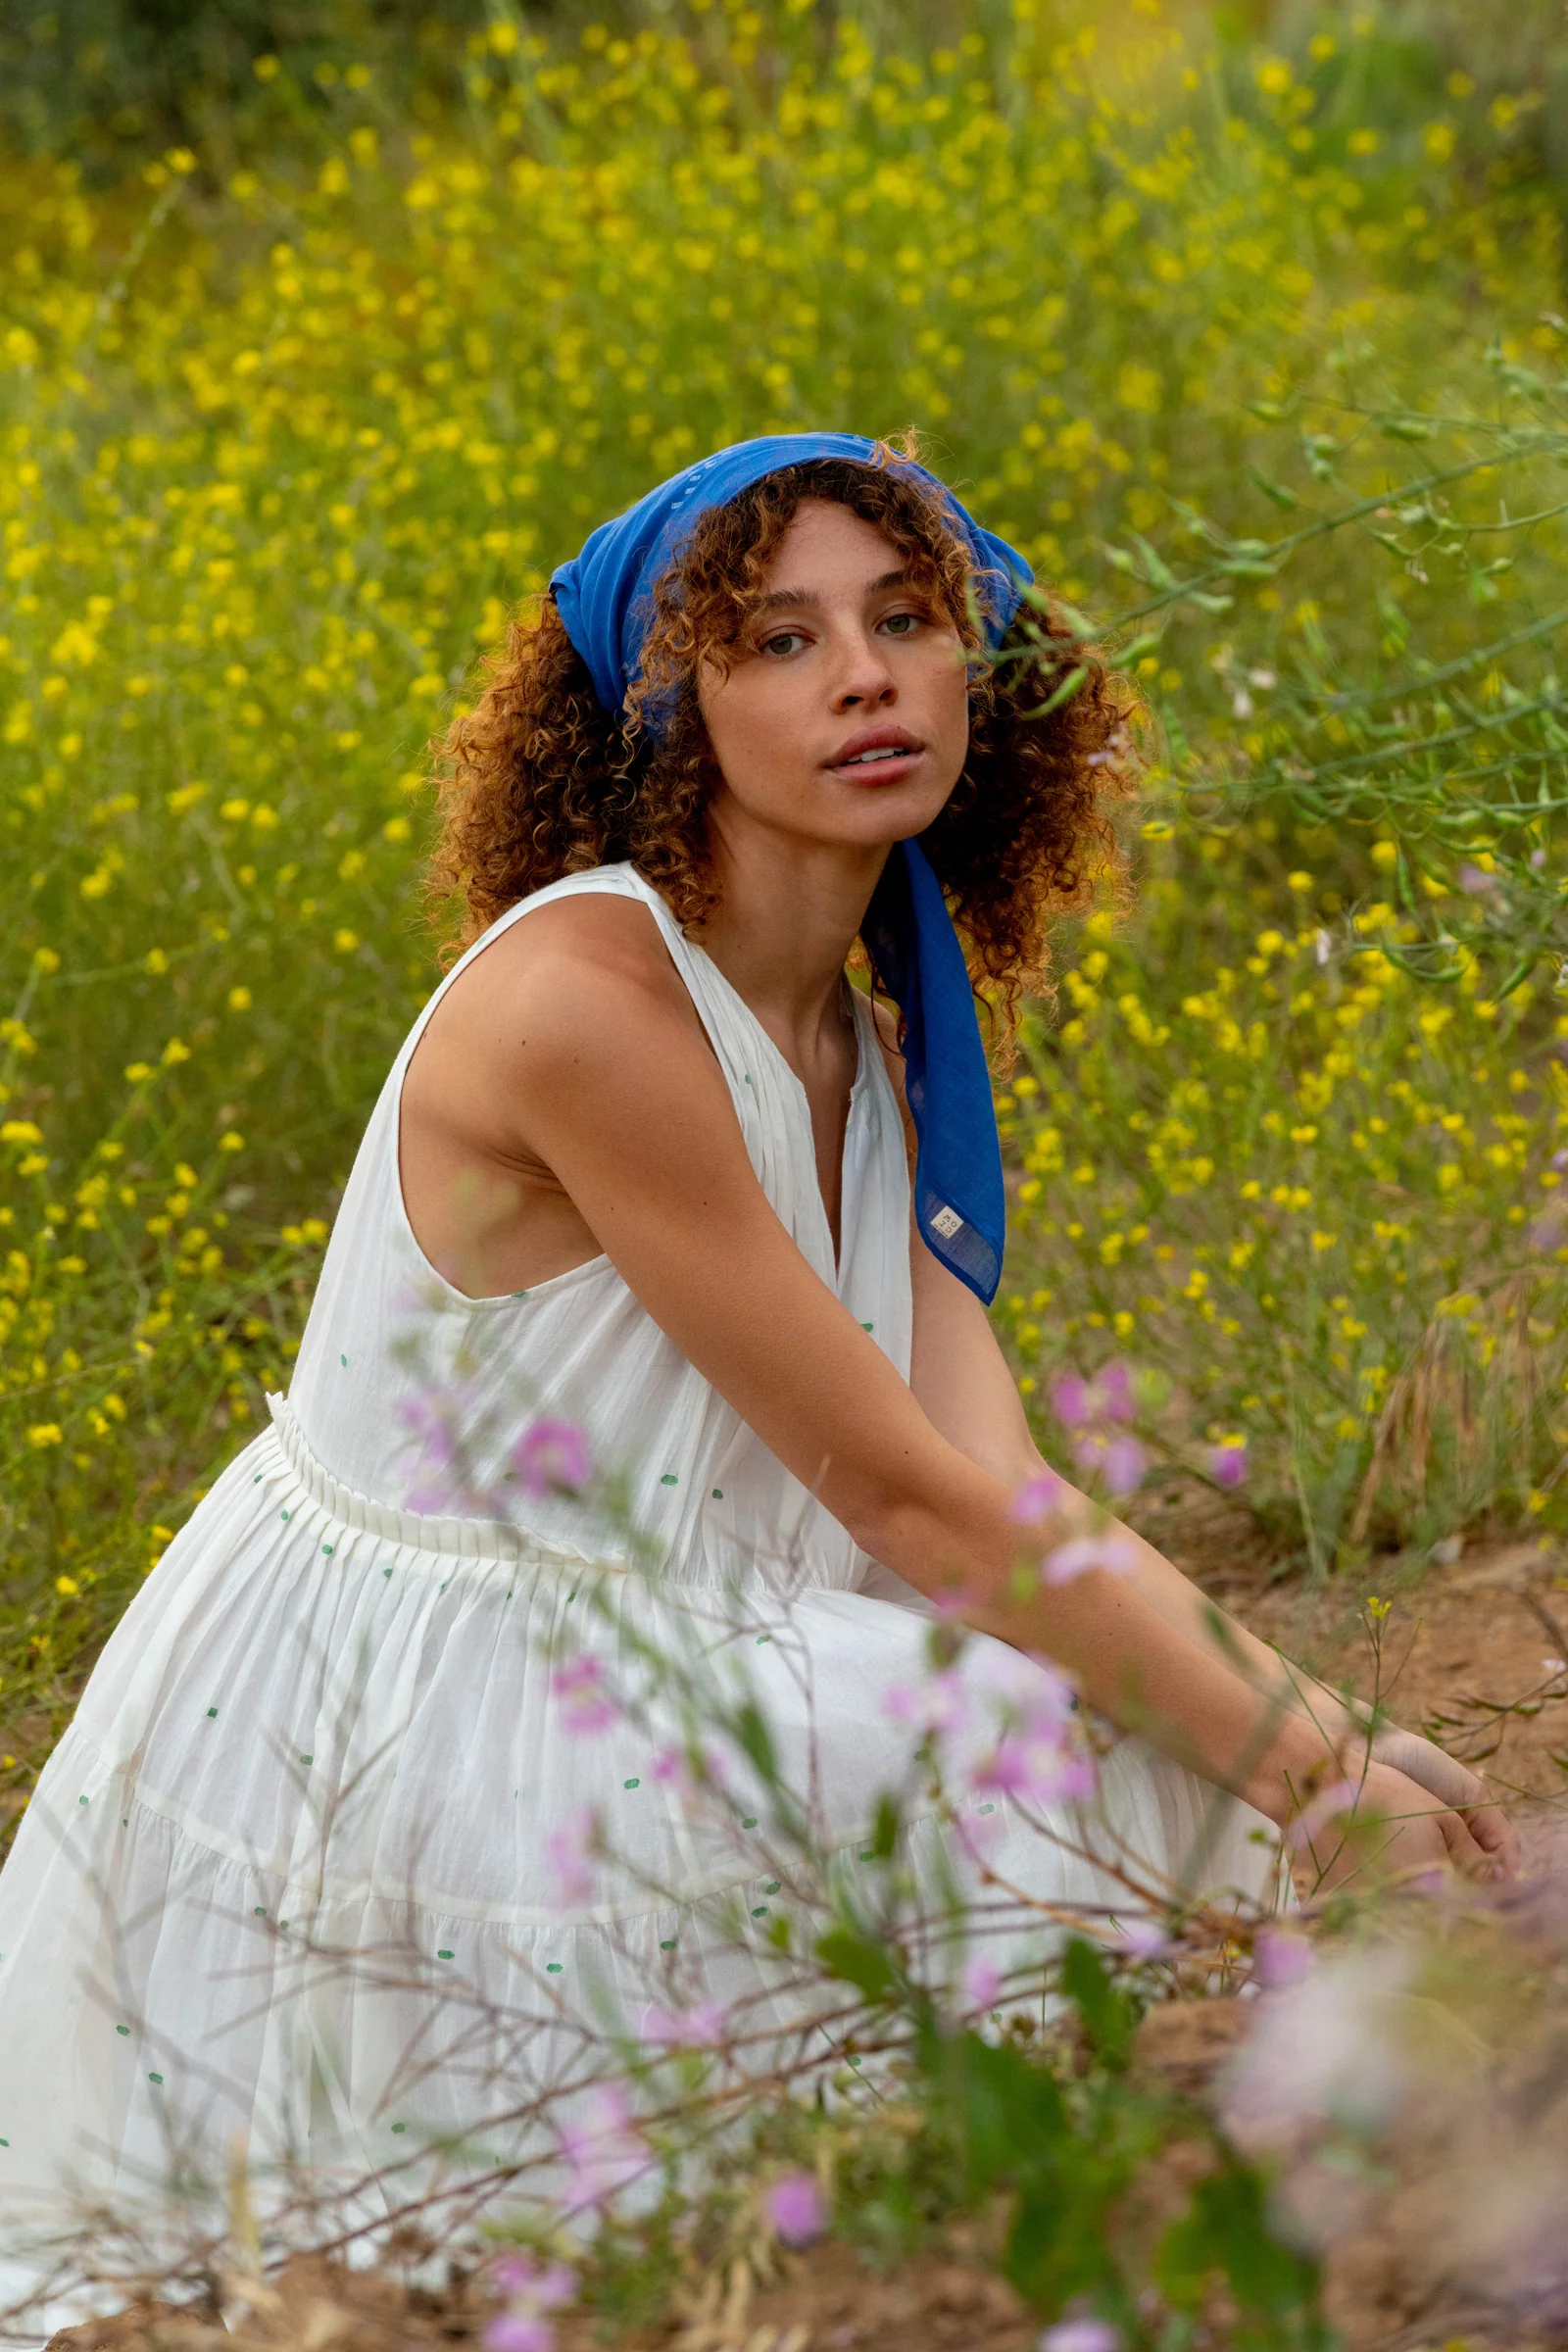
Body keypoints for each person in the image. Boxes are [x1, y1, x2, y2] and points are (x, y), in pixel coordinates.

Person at [0, 434, 1517, 2280]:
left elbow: (999, 1487)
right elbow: (911, 1507)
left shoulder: (864, 1046)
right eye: (782, 640)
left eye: (906, 620)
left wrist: (1323, 1732)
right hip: (458, 1687)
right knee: (1063, 1768)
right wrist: (1306, 1769)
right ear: (675, 711)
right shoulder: (592, 1003)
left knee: (1164, 1757)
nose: (865, 677)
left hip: (676, 1639)